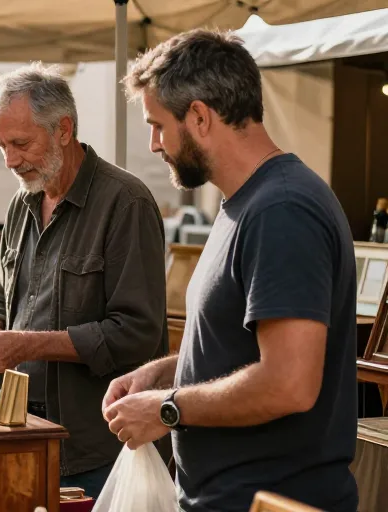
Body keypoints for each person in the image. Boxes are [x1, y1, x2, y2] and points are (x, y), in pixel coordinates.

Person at [104, 29, 358, 511]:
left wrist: (168, 407)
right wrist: (165, 373)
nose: (154, 144)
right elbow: (241, 350)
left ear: (199, 116)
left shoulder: (281, 210)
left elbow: (289, 382)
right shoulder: (246, 204)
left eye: (158, 125)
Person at [0, 63, 168, 498]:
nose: (10, 160)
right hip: (18, 433)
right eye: (0, 145)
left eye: (20, 143)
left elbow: (138, 334)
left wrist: (25, 344)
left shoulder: (126, 202)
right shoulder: (21, 202)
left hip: (96, 450)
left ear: (64, 130)